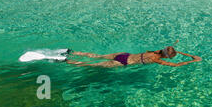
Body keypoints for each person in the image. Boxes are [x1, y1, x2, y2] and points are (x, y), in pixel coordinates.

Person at [65, 41, 202, 68]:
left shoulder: (156, 51)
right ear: (166, 56)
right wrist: (193, 60)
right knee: (90, 65)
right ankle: (69, 61)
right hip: (123, 63)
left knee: (96, 56)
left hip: (123, 55)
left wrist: (178, 48)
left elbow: (172, 49)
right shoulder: (156, 59)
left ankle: (73, 52)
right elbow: (175, 65)